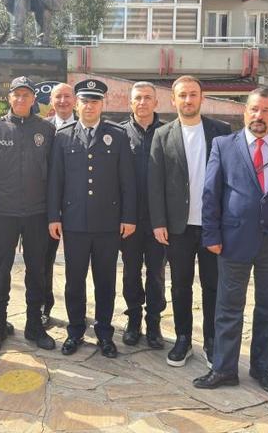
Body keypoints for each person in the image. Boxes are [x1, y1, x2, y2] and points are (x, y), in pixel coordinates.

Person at [194, 88, 268, 395]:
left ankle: (262, 368)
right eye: (254, 109)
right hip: (233, 241)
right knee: (228, 307)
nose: (259, 116)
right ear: (245, 112)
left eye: (266, 111)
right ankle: (224, 368)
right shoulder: (224, 145)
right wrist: (211, 235)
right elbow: (211, 193)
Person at [47, 79, 136, 358]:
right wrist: (54, 217)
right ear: (77, 103)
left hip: (108, 224)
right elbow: (55, 181)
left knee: (105, 281)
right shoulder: (63, 136)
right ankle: (75, 331)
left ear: (102, 104)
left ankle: (104, 333)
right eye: (84, 101)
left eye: (94, 101)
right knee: (74, 281)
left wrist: (129, 216)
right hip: (74, 223)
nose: (89, 106)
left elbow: (127, 181)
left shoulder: (117, 135)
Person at [149, 76, 231, 366]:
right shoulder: (163, 135)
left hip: (211, 226)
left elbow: (229, 181)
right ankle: (183, 338)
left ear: (201, 97)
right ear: (173, 100)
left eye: (193, 94)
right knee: (180, 286)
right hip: (177, 227)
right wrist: (158, 221)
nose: (187, 100)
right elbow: (155, 182)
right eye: (182, 95)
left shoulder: (222, 132)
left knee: (213, 285)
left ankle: (211, 340)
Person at [0, 77, 56, 353]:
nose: (21, 99)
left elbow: (55, 175)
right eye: (16, 95)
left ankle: (35, 325)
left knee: (37, 272)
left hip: (37, 213)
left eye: (26, 95)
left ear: (34, 99)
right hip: (2, 214)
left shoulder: (46, 130)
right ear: (9, 98)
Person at [119, 81, 166, 349]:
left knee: (157, 273)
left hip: (158, 220)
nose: (143, 102)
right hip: (129, 219)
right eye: (138, 98)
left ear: (156, 102)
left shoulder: (168, 132)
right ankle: (134, 319)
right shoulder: (119, 133)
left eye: (148, 98)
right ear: (130, 102)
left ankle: (154, 322)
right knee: (131, 271)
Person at [42, 81, 75, 326]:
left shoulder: (85, 124)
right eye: (58, 97)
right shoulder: (43, 129)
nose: (62, 101)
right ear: (51, 102)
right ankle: (44, 307)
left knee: (79, 263)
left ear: (74, 100)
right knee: (44, 260)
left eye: (67, 96)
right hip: (47, 206)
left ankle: (78, 310)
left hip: (78, 206)